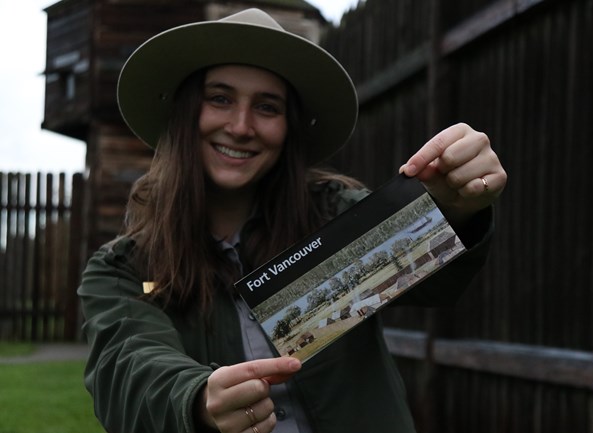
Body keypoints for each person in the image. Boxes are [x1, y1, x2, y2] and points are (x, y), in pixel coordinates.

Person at [78, 8, 507, 433]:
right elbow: (127, 364)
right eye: (220, 98)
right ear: (185, 112)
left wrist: (456, 204)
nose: (242, 126)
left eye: (267, 107)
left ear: (289, 128)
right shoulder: (124, 269)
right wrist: (196, 399)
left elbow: (436, 275)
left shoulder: (333, 216)